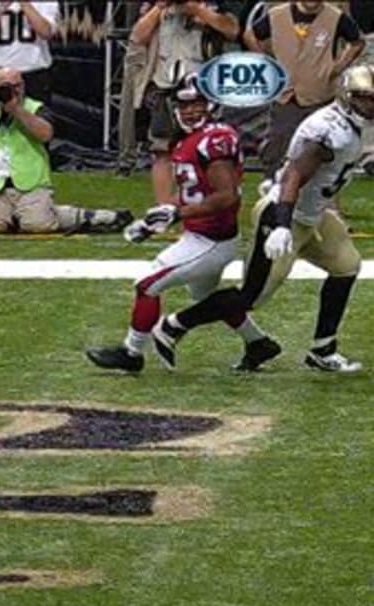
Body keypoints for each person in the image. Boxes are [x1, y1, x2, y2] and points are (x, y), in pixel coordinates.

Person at [149, 65, 374, 374]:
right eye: (365, 99)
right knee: (250, 296)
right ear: (348, 97)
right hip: (285, 212)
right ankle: (173, 326)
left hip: (314, 214)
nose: (370, 105)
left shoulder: (357, 123)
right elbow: (294, 176)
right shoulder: (329, 131)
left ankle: (323, 349)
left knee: (346, 266)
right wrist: (281, 226)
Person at [85, 75, 277, 374]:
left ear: (211, 104)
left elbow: (226, 197)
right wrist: (157, 217)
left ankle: (132, 352)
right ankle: (258, 343)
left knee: (147, 286)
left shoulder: (215, 140)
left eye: (196, 104)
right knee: (206, 299)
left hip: (211, 240)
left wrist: (179, 214)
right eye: (184, 105)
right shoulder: (190, 138)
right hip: (203, 236)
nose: (189, 111)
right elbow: (192, 190)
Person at [0, 67, 132, 235]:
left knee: (38, 226)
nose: (13, 91)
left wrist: (16, 110)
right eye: (6, 87)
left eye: (17, 86)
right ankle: (17, 214)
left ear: (24, 86)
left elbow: (46, 134)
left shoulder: (35, 108)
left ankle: (81, 216)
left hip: (30, 184)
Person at [124, 1, 239, 199]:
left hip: (204, 86)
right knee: (162, 149)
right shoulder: (156, 7)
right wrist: (159, 7)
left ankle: (208, 201)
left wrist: (197, 10)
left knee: (209, 147)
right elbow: (137, 36)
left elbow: (232, 30)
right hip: (165, 85)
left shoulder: (216, 5)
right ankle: (164, 207)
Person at [246, 1, 365, 179]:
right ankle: (271, 192)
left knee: (324, 150)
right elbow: (251, 35)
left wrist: (337, 67)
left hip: (321, 95)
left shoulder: (336, 17)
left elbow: (357, 42)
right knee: (278, 145)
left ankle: (325, 201)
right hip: (285, 96)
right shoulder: (276, 15)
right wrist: (268, 62)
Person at [0, 0, 58, 98]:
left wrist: (24, 4)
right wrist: (1, 6)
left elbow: (46, 32)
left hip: (34, 73)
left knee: (34, 112)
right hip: (0, 74)